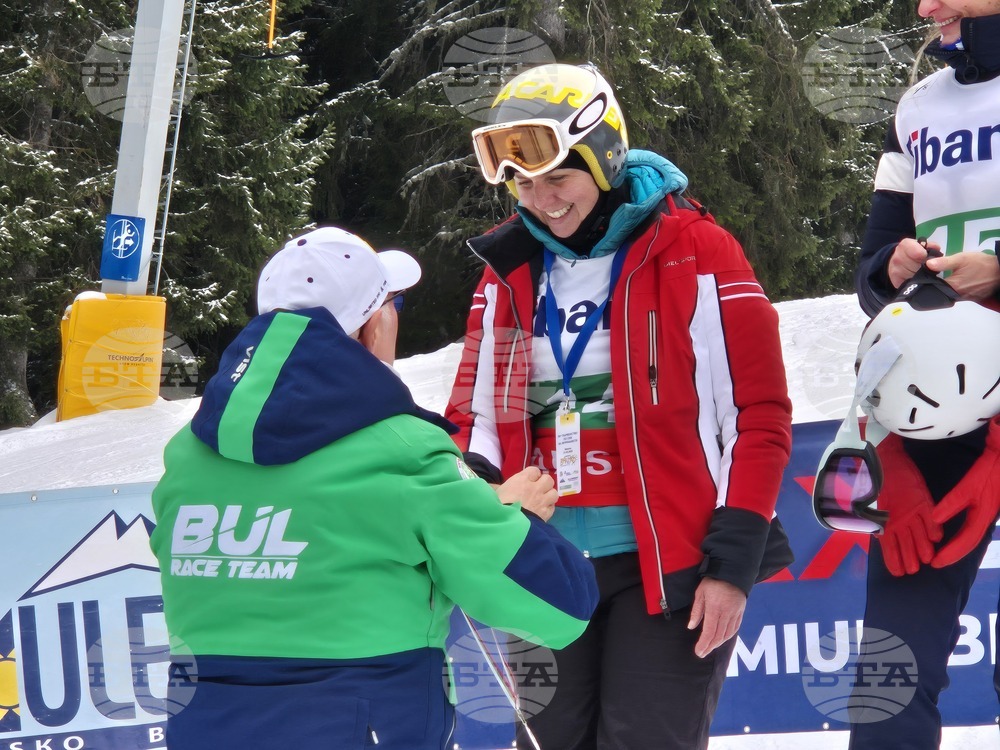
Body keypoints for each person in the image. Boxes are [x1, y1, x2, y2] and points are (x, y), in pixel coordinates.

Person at [445, 63, 794, 749]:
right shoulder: (508, 269)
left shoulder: (696, 249)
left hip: (668, 567)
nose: (541, 200)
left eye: (559, 178)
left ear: (603, 158)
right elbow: (477, 418)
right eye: (523, 182)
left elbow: (758, 415)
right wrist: (483, 505)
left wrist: (732, 566)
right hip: (545, 565)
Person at [149, 226, 599, 750]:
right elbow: (560, 604)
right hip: (365, 718)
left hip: (205, 723)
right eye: (393, 304)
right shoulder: (402, 449)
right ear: (368, 328)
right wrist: (510, 516)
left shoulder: (189, 452)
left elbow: (318, 528)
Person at [851, 2, 1000, 747]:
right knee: (891, 674)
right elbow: (873, 266)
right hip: (942, 407)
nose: (925, 8)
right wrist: (893, 265)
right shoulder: (919, 105)